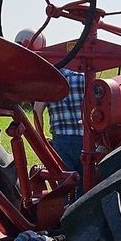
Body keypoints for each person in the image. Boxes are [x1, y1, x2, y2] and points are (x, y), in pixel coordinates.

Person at [33, 66, 85, 198]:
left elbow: (37, 110)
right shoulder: (83, 78)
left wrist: (41, 136)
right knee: (85, 183)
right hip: (84, 138)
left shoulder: (51, 82)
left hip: (61, 140)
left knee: (64, 183)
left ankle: (66, 210)